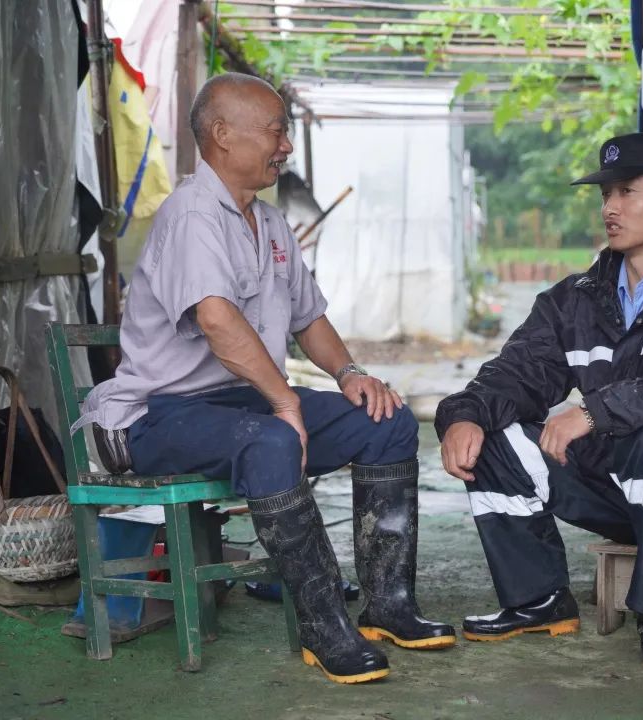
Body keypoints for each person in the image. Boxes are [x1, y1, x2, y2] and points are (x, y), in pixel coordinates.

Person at [76, 72, 455, 684]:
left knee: (385, 421)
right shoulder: (193, 215)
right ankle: (324, 625)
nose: (285, 145)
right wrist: (285, 403)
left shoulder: (271, 224)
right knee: (272, 438)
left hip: (240, 407)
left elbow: (310, 318)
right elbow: (217, 320)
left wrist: (350, 373)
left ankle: (389, 606)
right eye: (276, 130)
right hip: (157, 414)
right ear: (222, 136)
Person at [436, 133, 643, 669]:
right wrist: (464, 414)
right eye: (605, 195)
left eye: (626, 193)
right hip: (621, 489)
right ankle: (538, 600)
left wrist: (595, 410)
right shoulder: (576, 298)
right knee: (493, 439)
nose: (609, 208)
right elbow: (519, 372)